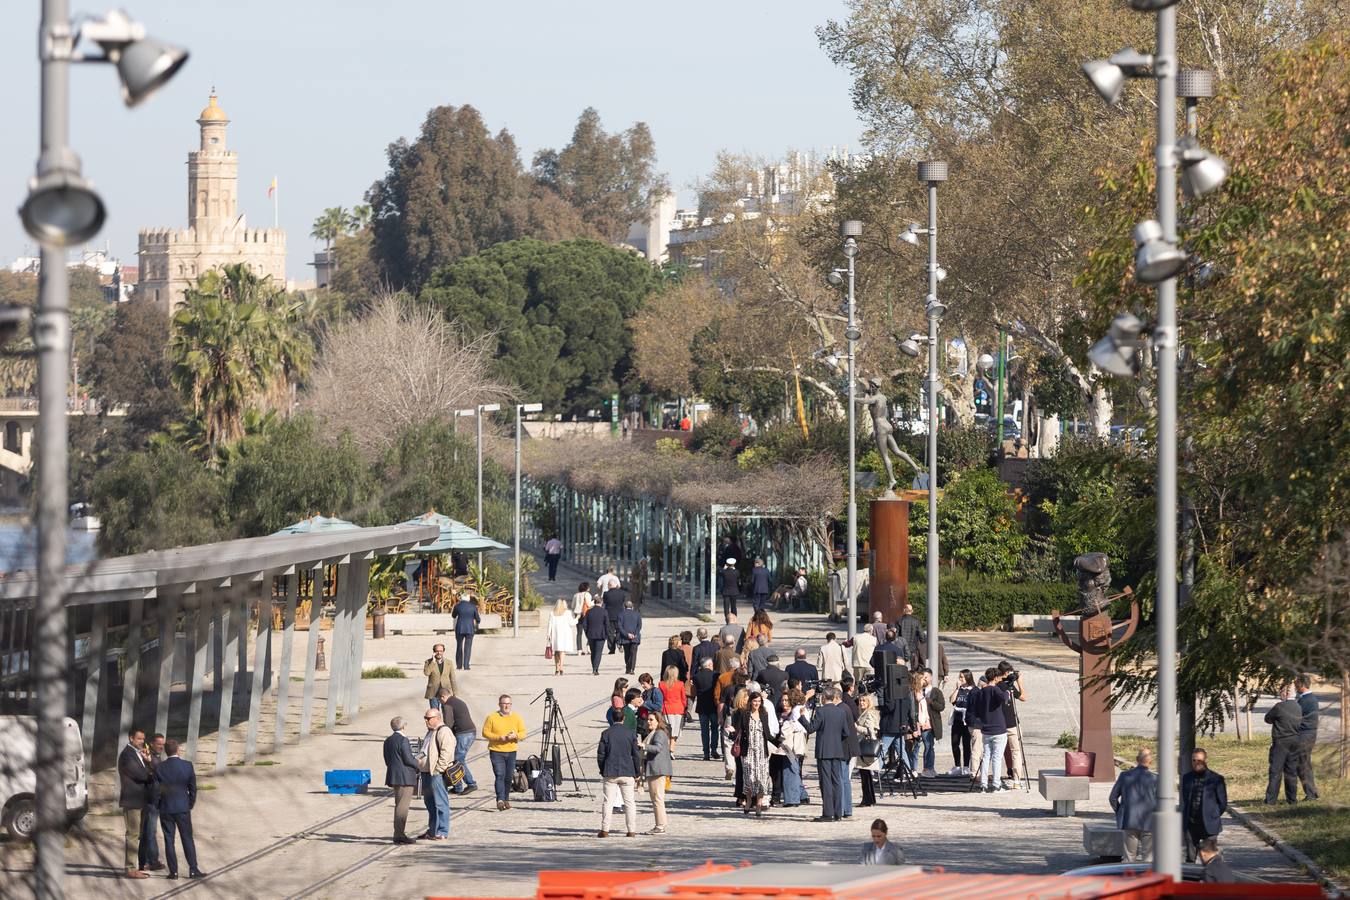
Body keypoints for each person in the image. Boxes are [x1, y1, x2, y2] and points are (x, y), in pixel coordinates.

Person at [799, 687, 854, 821]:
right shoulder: (840, 712)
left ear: (823, 698)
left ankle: (828, 813)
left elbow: (811, 728)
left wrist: (802, 717)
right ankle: (838, 812)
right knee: (837, 781)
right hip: (837, 750)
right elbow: (846, 732)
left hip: (824, 751)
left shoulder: (821, 711)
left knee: (826, 782)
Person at [154, 739, 203, 879]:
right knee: (187, 838)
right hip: (182, 807)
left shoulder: (159, 768)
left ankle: (173, 872)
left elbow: (156, 791)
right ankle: (193, 869)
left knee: (169, 840)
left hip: (166, 807)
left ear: (166, 751)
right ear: (178, 750)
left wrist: (158, 804)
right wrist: (190, 804)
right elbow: (193, 788)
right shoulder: (187, 766)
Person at [597, 709, 643, 837]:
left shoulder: (606, 733)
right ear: (624, 718)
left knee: (608, 802)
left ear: (612, 719)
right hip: (627, 771)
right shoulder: (630, 733)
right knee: (629, 802)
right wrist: (637, 772)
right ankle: (631, 830)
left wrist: (602, 769)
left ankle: (605, 829)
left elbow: (601, 755)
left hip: (610, 771)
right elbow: (636, 755)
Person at [732, 691, 777, 815]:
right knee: (749, 777)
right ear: (750, 702)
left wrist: (779, 743)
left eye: (759, 701)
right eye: (754, 701)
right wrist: (731, 733)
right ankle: (749, 800)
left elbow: (768, 734)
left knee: (762, 778)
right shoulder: (745, 715)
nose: (757, 703)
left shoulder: (764, 714)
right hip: (748, 751)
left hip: (762, 752)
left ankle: (759, 804)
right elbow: (738, 731)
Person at [1109, 748, 1157, 862]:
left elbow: (1112, 798)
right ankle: (1147, 874)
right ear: (1150, 761)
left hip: (1129, 820)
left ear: (1136, 759)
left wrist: (1120, 811)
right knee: (1148, 858)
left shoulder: (1124, 776)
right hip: (1149, 822)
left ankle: (1129, 873)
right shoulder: (1155, 779)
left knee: (1129, 858)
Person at [118, 727, 154, 879]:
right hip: (132, 800)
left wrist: (148, 762)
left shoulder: (138, 754)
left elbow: (148, 772)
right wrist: (150, 773)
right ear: (131, 738)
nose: (142, 741)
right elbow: (140, 775)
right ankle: (130, 868)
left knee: (137, 834)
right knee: (132, 834)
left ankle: (135, 865)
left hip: (141, 799)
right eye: (139, 738)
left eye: (143, 739)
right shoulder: (127, 755)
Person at [1180, 748, 1228, 862]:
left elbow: (1222, 803)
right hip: (1191, 825)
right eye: (1194, 760)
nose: (1196, 763)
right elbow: (1186, 799)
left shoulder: (1216, 779)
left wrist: (1213, 815)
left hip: (1209, 825)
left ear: (1206, 760)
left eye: (1199, 760)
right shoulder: (1187, 778)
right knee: (1190, 859)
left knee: (1210, 858)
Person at [967, 667, 1011, 792]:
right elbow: (1004, 698)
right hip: (998, 728)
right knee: (996, 757)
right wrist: (1008, 692)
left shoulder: (981, 692)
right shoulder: (995, 689)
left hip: (985, 729)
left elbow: (977, 710)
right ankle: (996, 784)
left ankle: (983, 784)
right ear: (996, 678)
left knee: (986, 757)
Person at [383, 716, 420, 844]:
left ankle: (398, 833)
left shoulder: (388, 740)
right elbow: (408, 759)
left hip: (394, 776)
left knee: (399, 803)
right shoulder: (403, 740)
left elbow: (387, 760)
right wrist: (418, 764)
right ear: (403, 726)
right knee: (402, 807)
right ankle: (399, 834)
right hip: (405, 777)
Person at [1264, 685, 1303, 804]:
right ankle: (1292, 799)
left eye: (1281, 692)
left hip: (1281, 742)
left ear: (1286, 694)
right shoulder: (1299, 707)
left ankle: (1271, 800)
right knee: (1291, 771)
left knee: (1275, 771)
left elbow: (1267, 719)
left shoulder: (1279, 706)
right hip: (1295, 741)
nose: (1280, 695)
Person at [417, 708, 452, 840]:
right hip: (425, 772)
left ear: (437, 718)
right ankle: (432, 830)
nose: (426, 721)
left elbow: (447, 752)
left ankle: (442, 831)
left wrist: (438, 769)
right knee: (430, 803)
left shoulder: (444, 731)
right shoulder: (430, 732)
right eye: (425, 718)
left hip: (436, 773)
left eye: (428, 718)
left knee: (441, 803)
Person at [996, 660, 1028, 786]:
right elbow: (1023, 697)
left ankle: (996, 779)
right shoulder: (1009, 686)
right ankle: (1017, 779)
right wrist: (1020, 682)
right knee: (1016, 751)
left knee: (997, 752)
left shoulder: (995, 686)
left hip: (998, 723)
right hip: (1011, 723)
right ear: (1006, 672)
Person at [643, 711, 674, 834]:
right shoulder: (655, 733)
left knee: (657, 799)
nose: (648, 722)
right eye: (648, 719)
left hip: (657, 770)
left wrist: (643, 746)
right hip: (656, 769)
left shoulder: (659, 733)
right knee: (657, 798)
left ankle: (660, 826)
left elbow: (657, 748)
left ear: (658, 721)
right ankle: (661, 824)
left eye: (651, 720)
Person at [141, 733, 164, 874]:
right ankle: (152, 861)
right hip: (151, 800)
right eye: (159, 744)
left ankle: (148, 860)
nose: (161, 746)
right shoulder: (150, 758)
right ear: (152, 743)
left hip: (154, 799)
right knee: (150, 831)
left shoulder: (156, 757)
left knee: (149, 830)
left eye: (163, 744)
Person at [1294, 673, 1320, 801]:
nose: (1295, 687)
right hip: (1309, 735)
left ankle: (1311, 794)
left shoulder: (1305, 700)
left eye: (1296, 684)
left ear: (1301, 685)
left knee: (1302, 765)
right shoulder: (1310, 698)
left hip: (1304, 736)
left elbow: (1296, 718)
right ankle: (1312, 792)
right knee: (1305, 764)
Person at [948, 669, 976, 775]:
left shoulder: (972, 689)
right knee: (955, 742)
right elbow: (952, 700)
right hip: (957, 719)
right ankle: (957, 765)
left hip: (967, 720)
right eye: (959, 677)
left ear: (968, 677)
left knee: (966, 743)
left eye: (962, 677)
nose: (960, 679)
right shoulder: (960, 689)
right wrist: (957, 688)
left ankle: (966, 766)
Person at [693, 658, 721, 761]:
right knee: (714, 729)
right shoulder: (716, 675)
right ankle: (714, 748)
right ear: (709, 665)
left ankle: (706, 753)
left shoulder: (696, 677)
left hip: (702, 707)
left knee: (704, 730)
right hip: (713, 706)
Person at [856, 693, 881, 807]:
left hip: (865, 746)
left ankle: (867, 799)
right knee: (866, 774)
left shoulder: (869, 713)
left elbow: (871, 730)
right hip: (864, 745)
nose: (861, 703)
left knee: (865, 774)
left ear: (868, 702)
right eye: (860, 701)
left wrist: (856, 727)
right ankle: (869, 799)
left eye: (864, 701)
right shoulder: (865, 712)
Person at [659, 665, 687, 747]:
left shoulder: (661, 684)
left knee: (667, 730)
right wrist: (685, 708)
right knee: (676, 731)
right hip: (678, 709)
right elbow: (683, 698)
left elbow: (660, 698)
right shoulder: (680, 684)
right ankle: (672, 748)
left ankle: (669, 747)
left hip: (666, 709)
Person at [547, 598, 577, 675]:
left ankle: (557, 668)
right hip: (564, 635)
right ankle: (561, 667)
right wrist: (577, 618)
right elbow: (572, 623)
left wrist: (548, 634)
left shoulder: (552, 613)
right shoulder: (567, 613)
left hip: (555, 635)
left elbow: (549, 624)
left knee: (556, 652)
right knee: (562, 651)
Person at [451, 596, 480, 670]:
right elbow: (478, 618)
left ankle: (459, 665)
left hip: (459, 628)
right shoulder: (473, 607)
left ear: (461, 599)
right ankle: (466, 665)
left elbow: (453, 616)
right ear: (468, 599)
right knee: (468, 647)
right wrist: (477, 622)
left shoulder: (457, 606)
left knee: (459, 646)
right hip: (470, 629)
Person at [423, 644, 456, 708]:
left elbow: (453, 678)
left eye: (441, 651)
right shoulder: (428, 662)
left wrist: (455, 693)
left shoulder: (449, 662)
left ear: (443, 651)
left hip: (446, 692)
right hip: (433, 692)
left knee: (447, 711)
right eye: (437, 651)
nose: (439, 653)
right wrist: (433, 662)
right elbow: (427, 673)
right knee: (435, 712)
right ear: (434, 651)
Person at [617, 600, 643, 675]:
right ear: (632, 607)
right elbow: (639, 626)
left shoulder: (621, 614)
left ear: (624, 607)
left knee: (627, 653)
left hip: (625, 638)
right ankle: (632, 669)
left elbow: (620, 627)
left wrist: (627, 634)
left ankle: (628, 668)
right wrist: (634, 634)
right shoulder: (637, 614)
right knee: (633, 654)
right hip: (635, 637)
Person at [603, 580, 629, 654]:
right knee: (619, 630)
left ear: (609, 585)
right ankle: (619, 642)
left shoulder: (606, 594)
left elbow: (604, 603)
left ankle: (611, 648)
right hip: (619, 615)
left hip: (609, 615)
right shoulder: (622, 593)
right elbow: (623, 602)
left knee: (610, 632)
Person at [585, 599, 610, 675]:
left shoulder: (589, 611)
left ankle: (594, 667)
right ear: (601, 603)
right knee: (598, 653)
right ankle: (595, 669)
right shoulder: (604, 611)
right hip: (601, 635)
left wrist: (587, 633)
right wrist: (607, 634)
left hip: (591, 634)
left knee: (593, 652)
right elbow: (607, 624)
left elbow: (585, 624)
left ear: (594, 602)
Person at [572, 582, 593, 651]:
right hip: (585, 614)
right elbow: (589, 605)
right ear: (586, 588)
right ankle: (589, 646)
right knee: (589, 631)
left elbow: (573, 606)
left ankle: (579, 649)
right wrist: (594, 602)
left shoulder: (576, 595)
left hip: (577, 614)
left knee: (579, 633)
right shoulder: (587, 594)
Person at [719, 557, 740, 623]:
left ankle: (727, 619)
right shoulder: (736, 572)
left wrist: (724, 568)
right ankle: (734, 619)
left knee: (726, 607)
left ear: (727, 564)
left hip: (726, 591)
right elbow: (738, 577)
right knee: (734, 606)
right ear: (734, 564)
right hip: (734, 591)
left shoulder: (724, 572)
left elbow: (720, 573)